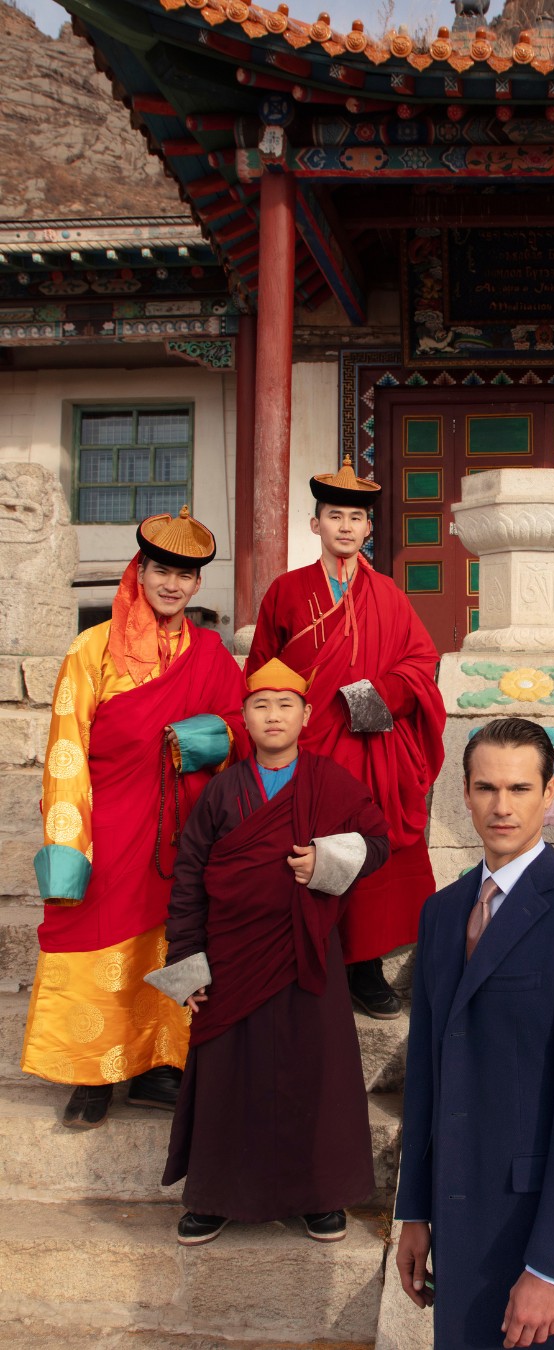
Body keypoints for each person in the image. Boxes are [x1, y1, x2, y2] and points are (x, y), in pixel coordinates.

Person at [395, 716, 554, 1350]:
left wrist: (553, 1265)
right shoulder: (443, 914)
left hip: (540, 1228)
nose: (501, 807)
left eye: (519, 789)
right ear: (465, 792)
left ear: (549, 792)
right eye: (486, 789)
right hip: (458, 1217)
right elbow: (426, 1073)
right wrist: (416, 1210)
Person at [21, 507, 247, 1129]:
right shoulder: (90, 649)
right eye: (161, 571)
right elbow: (65, 747)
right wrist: (68, 841)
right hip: (111, 823)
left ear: (199, 584)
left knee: (175, 937)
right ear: (139, 572)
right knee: (93, 937)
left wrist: (207, 736)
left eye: (186, 575)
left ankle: (159, 1065)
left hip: (183, 828)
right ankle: (91, 1073)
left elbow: (241, 728)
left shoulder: (209, 653)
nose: (172, 585)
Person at [151, 658, 390, 1245]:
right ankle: (215, 1195)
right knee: (229, 1078)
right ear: (244, 720)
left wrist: (327, 861)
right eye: (261, 706)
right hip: (231, 959)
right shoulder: (223, 792)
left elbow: (379, 841)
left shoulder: (331, 781)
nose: (274, 716)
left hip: (308, 953)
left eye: (286, 705)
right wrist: (188, 962)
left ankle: (318, 1196)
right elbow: (187, 877)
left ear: (307, 716)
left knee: (313, 1073)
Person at [246, 454, 446, 1020]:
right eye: (334, 516)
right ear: (316, 525)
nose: (345, 527)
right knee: (305, 852)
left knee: (372, 850)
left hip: (371, 747)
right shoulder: (286, 592)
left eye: (355, 519)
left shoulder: (387, 594)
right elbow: (261, 669)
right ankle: (304, 957)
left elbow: (421, 660)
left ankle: (366, 967)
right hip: (305, 748)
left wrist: (371, 698)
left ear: (367, 529)